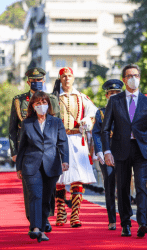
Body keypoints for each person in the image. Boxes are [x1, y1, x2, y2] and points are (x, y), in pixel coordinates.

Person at [102, 64, 147, 238]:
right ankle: (125, 223)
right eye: (130, 75)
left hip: (142, 150)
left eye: (136, 75)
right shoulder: (115, 100)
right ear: (124, 80)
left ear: (139, 77)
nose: (134, 78)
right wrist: (107, 151)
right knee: (123, 187)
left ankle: (143, 222)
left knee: (141, 185)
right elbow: (105, 129)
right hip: (120, 149)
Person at [9, 67, 60, 233]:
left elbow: (56, 125)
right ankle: (34, 220)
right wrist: (15, 152)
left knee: (48, 190)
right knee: (31, 189)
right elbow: (12, 129)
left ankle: (45, 218)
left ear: (44, 81)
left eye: (39, 80)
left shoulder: (51, 99)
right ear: (28, 82)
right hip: (28, 152)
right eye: (33, 80)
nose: (37, 83)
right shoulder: (19, 101)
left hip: (49, 152)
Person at [16, 91, 69, 242]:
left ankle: (42, 226)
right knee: (35, 195)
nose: (41, 106)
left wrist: (65, 160)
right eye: (38, 103)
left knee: (46, 198)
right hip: (30, 165)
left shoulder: (56, 122)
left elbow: (63, 142)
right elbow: (22, 147)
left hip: (51, 165)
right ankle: (35, 228)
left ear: (48, 104)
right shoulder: (27, 123)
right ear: (33, 106)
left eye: (44, 102)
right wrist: (19, 167)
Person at [55, 67, 98, 228]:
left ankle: (75, 214)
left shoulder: (81, 97)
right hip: (58, 140)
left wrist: (86, 121)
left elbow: (92, 113)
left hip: (76, 139)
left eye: (69, 76)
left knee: (77, 177)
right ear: (60, 79)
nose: (67, 79)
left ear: (73, 78)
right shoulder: (54, 97)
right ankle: (60, 212)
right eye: (64, 76)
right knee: (58, 177)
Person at [92, 79, 123, 230]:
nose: (114, 96)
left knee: (123, 186)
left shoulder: (127, 111)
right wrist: (100, 152)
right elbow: (96, 133)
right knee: (110, 186)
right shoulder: (101, 113)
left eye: (117, 93)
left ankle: (125, 218)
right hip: (107, 152)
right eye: (111, 93)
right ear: (106, 95)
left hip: (123, 152)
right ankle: (112, 219)